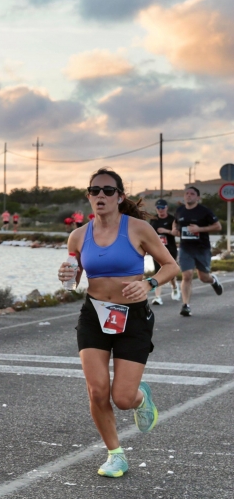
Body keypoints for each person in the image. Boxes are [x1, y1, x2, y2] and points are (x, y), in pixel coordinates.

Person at [58, 169, 179, 478]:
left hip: (133, 317)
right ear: (88, 196)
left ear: (120, 196)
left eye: (108, 191)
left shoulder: (138, 229)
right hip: (94, 315)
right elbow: (73, 280)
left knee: (122, 398)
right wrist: (66, 276)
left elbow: (171, 266)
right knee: (97, 391)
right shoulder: (78, 236)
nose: (101, 195)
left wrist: (149, 284)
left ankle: (141, 397)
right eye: (95, 190)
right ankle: (115, 455)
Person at [174, 185, 224, 316]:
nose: (189, 195)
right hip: (185, 248)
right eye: (187, 193)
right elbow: (176, 222)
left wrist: (199, 229)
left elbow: (218, 226)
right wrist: (175, 230)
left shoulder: (204, 211)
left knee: (203, 277)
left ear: (198, 197)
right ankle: (186, 305)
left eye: (192, 194)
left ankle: (213, 280)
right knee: (187, 275)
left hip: (202, 248)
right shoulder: (180, 210)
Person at [148, 198, 181, 305]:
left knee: (170, 273)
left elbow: (177, 233)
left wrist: (165, 231)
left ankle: (175, 287)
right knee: (158, 273)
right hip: (157, 250)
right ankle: (157, 297)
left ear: (166, 208)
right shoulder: (153, 219)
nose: (160, 210)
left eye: (162, 207)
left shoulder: (172, 219)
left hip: (170, 249)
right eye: (158, 208)